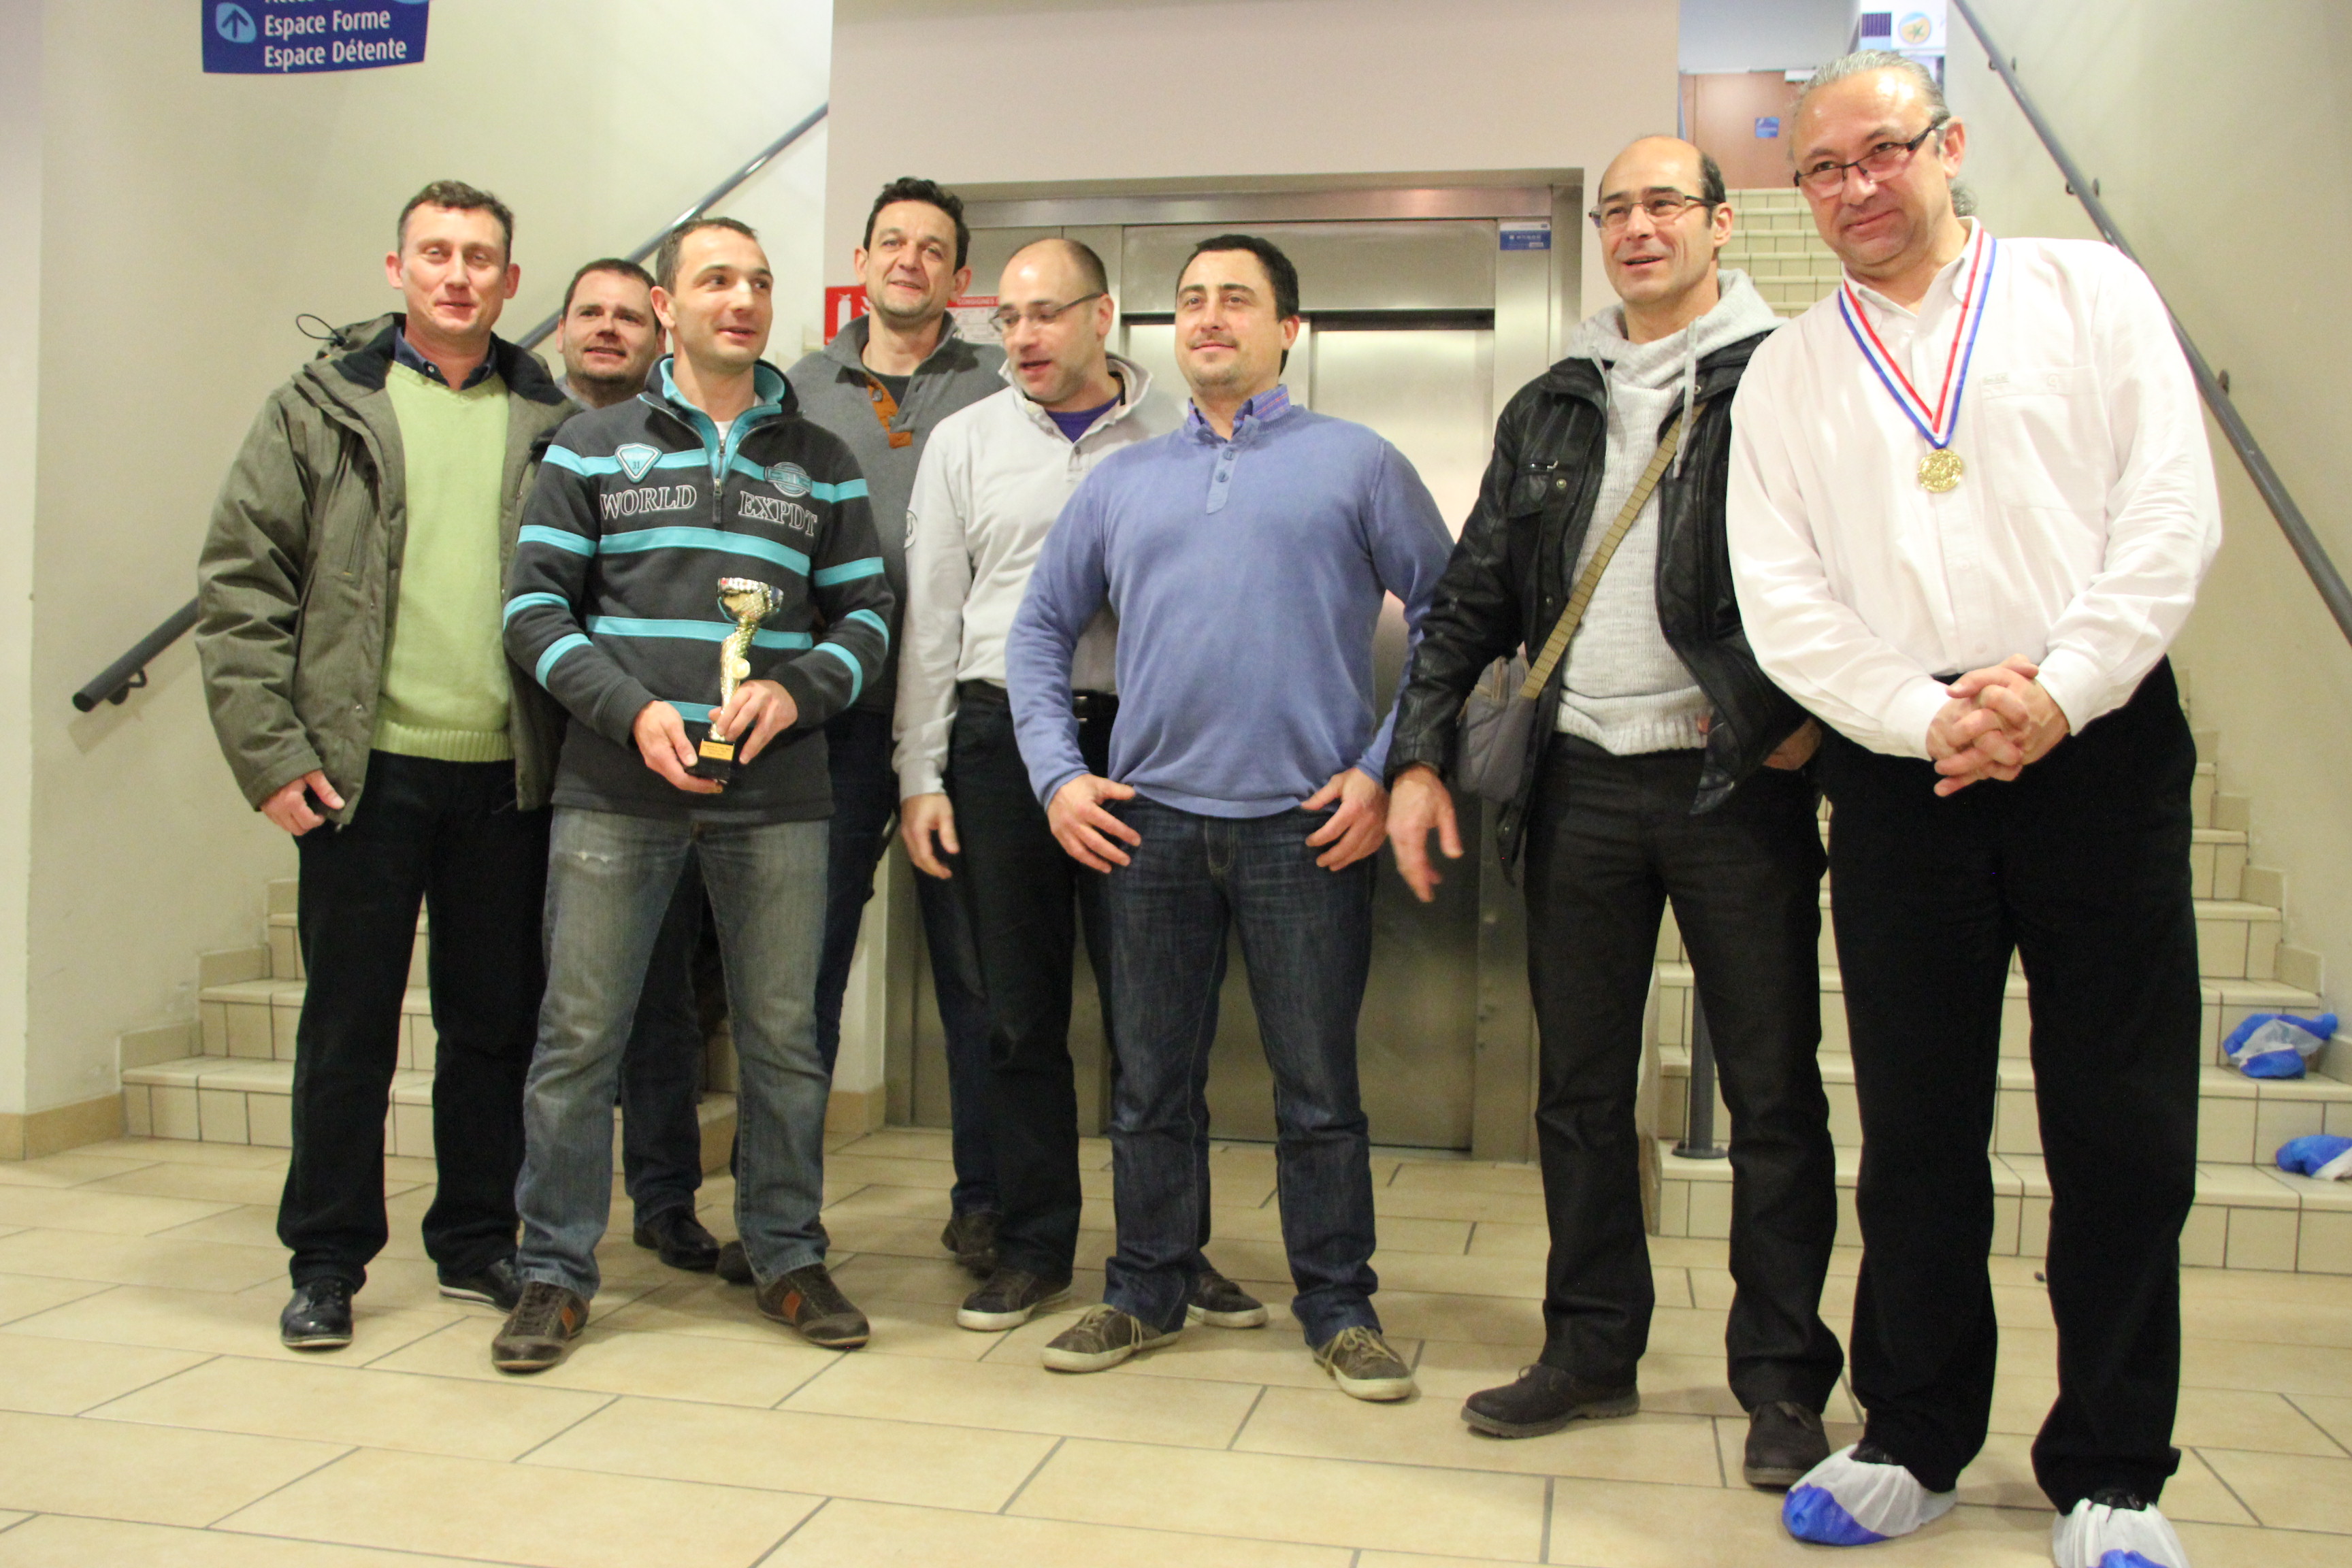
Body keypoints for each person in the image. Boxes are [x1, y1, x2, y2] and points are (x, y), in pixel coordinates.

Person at [1726, 52, 2221, 1568]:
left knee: (2122, 1124)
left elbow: (2168, 512)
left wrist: (2058, 690)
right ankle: (1916, 1433)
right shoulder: (1790, 368)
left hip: (2099, 745)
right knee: (1918, 1125)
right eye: (1823, 169)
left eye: (1882, 151)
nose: (1856, 187)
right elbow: (1780, 595)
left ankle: (2114, 1469)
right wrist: (1922, 713)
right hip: (1902, 768)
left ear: (1946, 145)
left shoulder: (2089, 293)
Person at [1384, 136, 1842, 1485]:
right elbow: (1474, 592)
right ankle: (1590, 1349)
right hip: (1580, 777)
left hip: (1734, 780)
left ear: (1721, 223)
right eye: (1617, 209)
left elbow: (1849, 562)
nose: (1639, 227)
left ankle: (1783, 1382)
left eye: (1666, 205)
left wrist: (1805, 717)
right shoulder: (1554, 401)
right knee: (1579, 1089)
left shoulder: (1789, 374)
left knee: (1770, 1095)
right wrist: (1418, 753)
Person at [1006, 235, 1452, 1398]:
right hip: (1147, 826)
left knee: (1319, 1091)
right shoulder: (1122, 482)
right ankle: (1146, 1288)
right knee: (1150, 1085)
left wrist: (1384, 766)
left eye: (1237, 299)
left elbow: (1450, 626)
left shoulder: (1359, 464)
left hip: (1308, 828)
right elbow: (1038, 631)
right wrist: (1058, 775)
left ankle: (1338, 1306)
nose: (1209, 317)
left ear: (1288, 329)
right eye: (1192, 300)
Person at [492, 216, 892, 1371]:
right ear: (667, 306)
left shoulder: (822, 458)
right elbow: (532, 612)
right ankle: (554, 1270)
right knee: (579, 1037)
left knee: (783, 1039)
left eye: (759, 282)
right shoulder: (588, 447)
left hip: (779, 796)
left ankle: (786, 1252)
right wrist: (631, 711)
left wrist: (800, 691)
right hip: (618, 787)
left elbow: (869, 614)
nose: (743, 300)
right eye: (717, 280)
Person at [197, 181, 571, 1350]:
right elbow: (241, 586)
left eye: (480, 258)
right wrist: (270, 754)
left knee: (493, 1028)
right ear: (397, 268)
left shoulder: (550, 421)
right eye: (436, 253)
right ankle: (325, 1260)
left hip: (508, 777)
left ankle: (477, 1239)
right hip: (357, 775)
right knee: (346, 1029)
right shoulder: (318, 409)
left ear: (512, 282)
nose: (458, 275)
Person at [897, 237, 1263, 1335]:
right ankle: (1033, 1245)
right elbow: (933, 615)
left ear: (1102, 316)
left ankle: (1171, 1245)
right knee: (1017, 1016)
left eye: (1046, 314)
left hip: (1145, 745)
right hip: (999, 738)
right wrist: (919, 772)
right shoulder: (964, 441)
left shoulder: (1178, 437)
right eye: (1006, 319)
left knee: (1162, 1021)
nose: (1023, 338)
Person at [781, 177, 1004, 1281]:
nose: (909, 259)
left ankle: (987, 1205)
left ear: (960, 276)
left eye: (932, 247)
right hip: (823, 722)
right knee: (803, 969)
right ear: (862, 262)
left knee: (977, 974)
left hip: (963, 727)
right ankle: (786, 1213)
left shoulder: (1001, 384)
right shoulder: (794, 390)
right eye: (891, 242)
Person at [550, 255, 722, 1274]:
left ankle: (665, 1199)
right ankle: (532, 1222)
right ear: (562, 330)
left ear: (659, 327)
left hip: (654, 764)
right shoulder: (541, 439)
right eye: (590, 313)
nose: (607, 329)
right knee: (563, 1015)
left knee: (660, 997)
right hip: (538, 755)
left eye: (626, 315)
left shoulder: (700, 445)